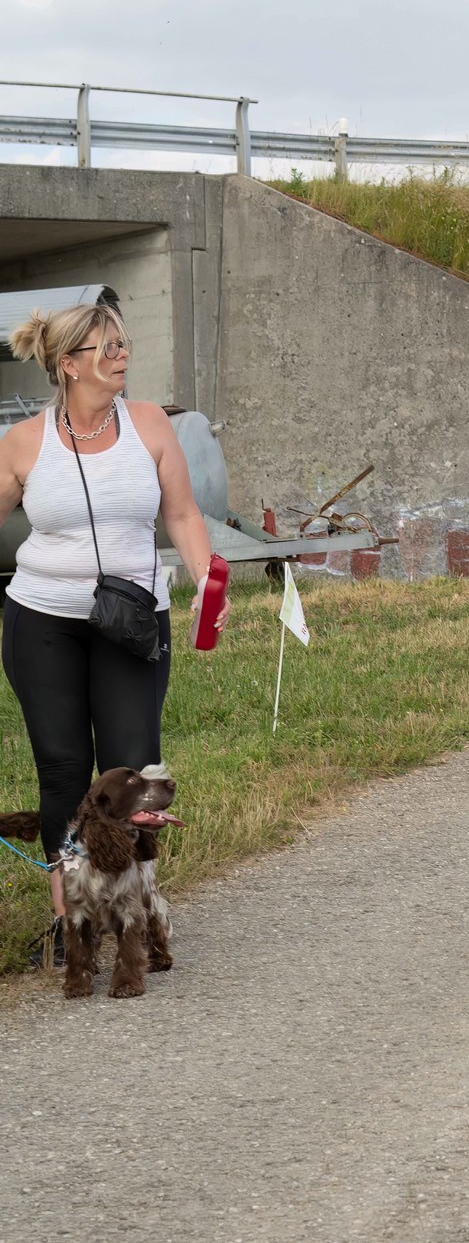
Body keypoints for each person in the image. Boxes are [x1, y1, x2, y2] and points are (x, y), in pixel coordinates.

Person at [0, 292, 226, 952]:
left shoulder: (150, 425)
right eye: (109, 348)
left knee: (131, 775)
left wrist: (207, 580)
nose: (124, 356)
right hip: (43, 621)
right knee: (63, 772)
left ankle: (134, 912)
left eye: (124, 344)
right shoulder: (24, 443)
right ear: (70, 364)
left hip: (132, 620)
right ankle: (71, 921)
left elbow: (181, 514)